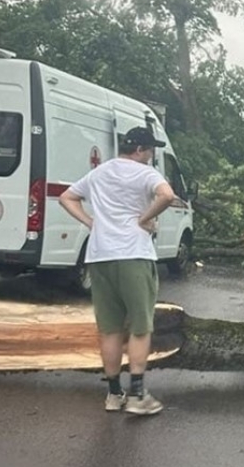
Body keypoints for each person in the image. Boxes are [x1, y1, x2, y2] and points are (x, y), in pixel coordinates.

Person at [58, 126, 175, 416]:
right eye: (150, 151)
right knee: (139, 327)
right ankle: (137, 395)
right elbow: (167, 195)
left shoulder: (99, 172)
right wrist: (145, 218)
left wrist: (90, 222)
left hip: (99, 256)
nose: (151, 156)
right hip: (134, 254)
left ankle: (113, 394)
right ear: (139, 151)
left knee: (109, 329)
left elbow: (66, 198)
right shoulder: (145, 173)